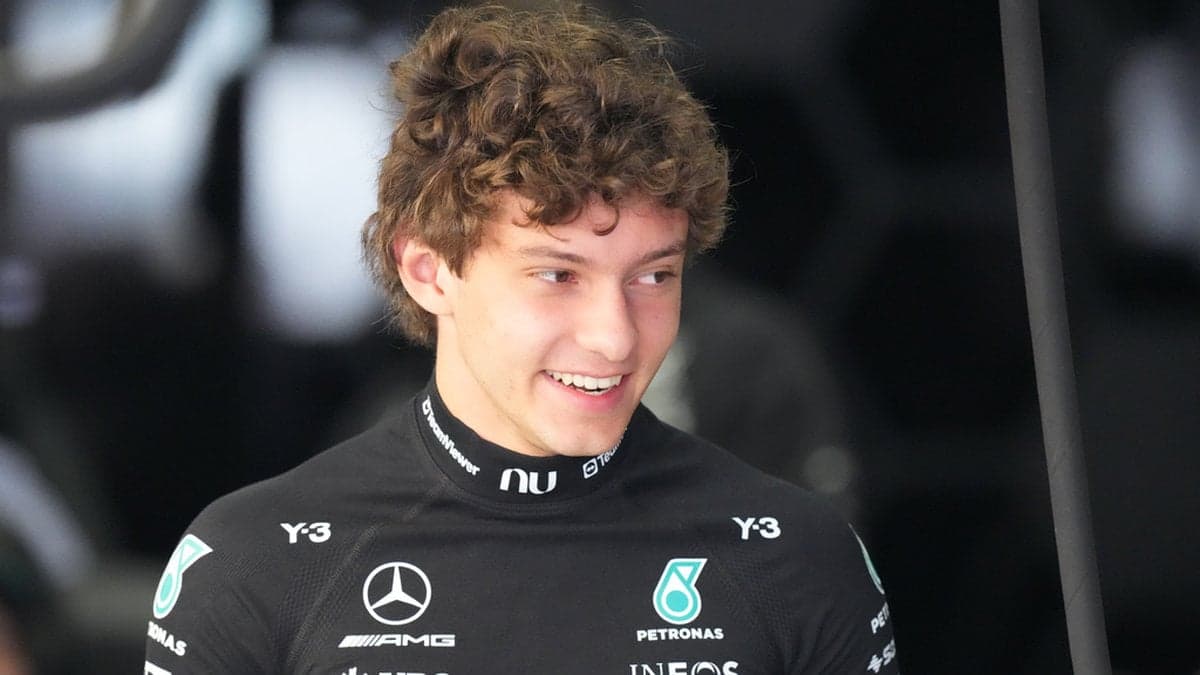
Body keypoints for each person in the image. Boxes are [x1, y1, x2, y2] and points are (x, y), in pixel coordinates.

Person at [144, 4, 899, 673]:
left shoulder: (796, 559)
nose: (614, 337)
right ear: (428, 270)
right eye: (558, 275)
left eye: (653, 276)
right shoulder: (255, 565)